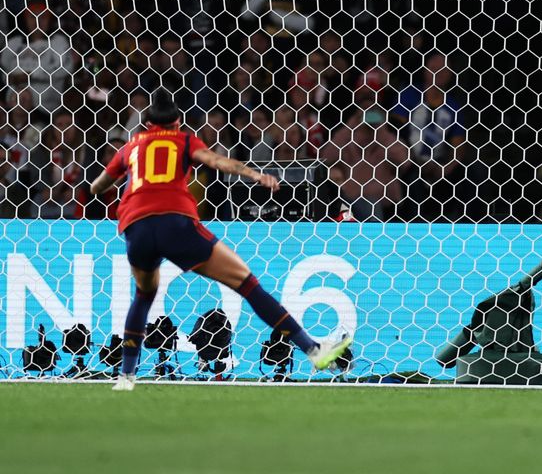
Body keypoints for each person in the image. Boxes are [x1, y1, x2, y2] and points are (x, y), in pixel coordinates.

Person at [90, 89, 352, 391]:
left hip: (136, 227)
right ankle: (314, 351)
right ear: (177, 122)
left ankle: (126, 377)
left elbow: (98, 187)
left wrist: (118, 182)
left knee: (143, 296)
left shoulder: (131, 147)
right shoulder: (184, 140)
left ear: (146, 123)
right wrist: (256, 175)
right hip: (176, 223)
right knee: (248, 284)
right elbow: (215, 161)